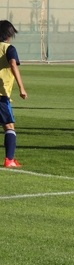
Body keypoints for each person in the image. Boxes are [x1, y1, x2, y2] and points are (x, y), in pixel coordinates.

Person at [0, 21, 27, 167]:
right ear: (9, 34)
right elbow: (12, 64)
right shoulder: (9, 48)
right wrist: (21, 88)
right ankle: (9, 160)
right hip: (1, 95)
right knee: (9, 126)